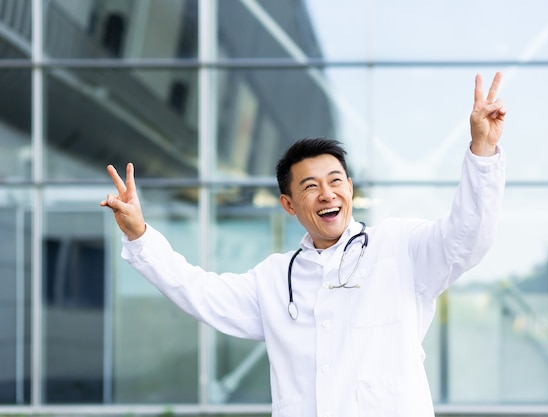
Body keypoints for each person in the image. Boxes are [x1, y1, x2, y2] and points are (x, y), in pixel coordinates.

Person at [101, 72, 507, 417]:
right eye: (310, 187)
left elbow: (467, 237)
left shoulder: (400, 247)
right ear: (289, 204)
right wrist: (140, 235)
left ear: (350, 188)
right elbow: (198, 292)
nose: (327, 194)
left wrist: (483, 152)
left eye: (335, 181)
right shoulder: (276, 279)